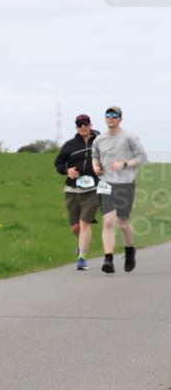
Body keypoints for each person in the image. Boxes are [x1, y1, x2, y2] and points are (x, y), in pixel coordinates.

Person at [91, 106, 147, 274]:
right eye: (108, 115)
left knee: (122, 223)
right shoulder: (99, 139)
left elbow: (142, 157)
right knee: (108, 221)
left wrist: (123, 164)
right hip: (105, 183)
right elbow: (95, 155)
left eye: (114, 115)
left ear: (120, 119)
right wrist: (95, 167)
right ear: (105, 118)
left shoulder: (129, 137)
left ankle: (130, 250)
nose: (111, 118)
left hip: (125, 184)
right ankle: (108, 259)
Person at [54, 114, 100, 270]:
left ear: (90, 125)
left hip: (93, 189)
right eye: (79, 124)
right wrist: (67, 171)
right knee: (75, 227)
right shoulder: (69, 145)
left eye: (85, 124)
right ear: (76, 127)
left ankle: (82, 258)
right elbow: (58, 163)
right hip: (72, 189)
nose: (82, 127)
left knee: (85, 223)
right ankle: (81, 243)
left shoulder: (101, 142)